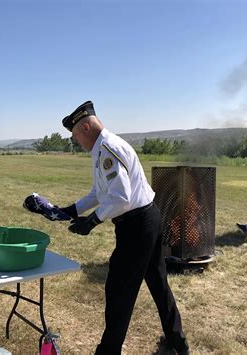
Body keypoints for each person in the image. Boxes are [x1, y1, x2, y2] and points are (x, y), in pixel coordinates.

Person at [59, 101, 189, 355]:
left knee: (119, 291)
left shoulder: (107, 149)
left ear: (86, 127)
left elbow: (121, 197)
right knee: (158, 284)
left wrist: (93, 221)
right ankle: (177, 343)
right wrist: (72, 210)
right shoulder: (102, 149)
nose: (76, 141)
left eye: (75, 135)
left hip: (137, 225)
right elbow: (100, 193)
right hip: (145, 220)